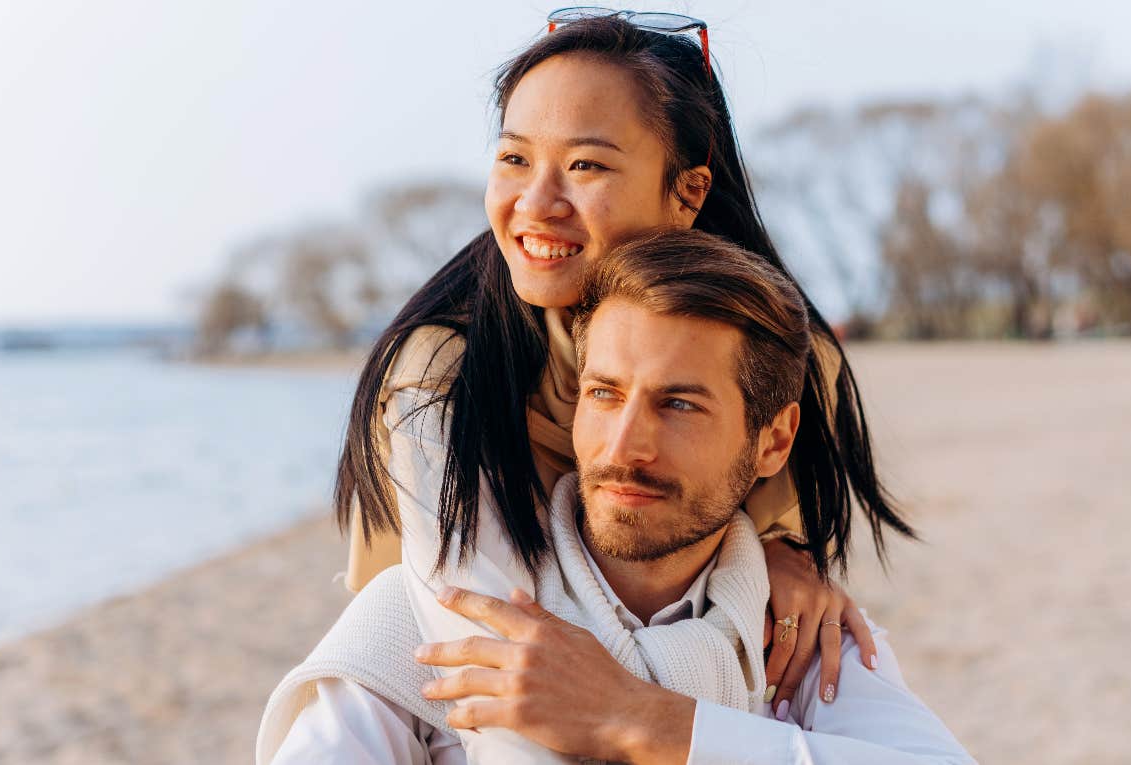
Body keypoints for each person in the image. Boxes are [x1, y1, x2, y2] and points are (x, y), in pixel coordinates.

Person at [331, 10, 915, 761]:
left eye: (586, 166)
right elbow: (482, 654)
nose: (536, 203)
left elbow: (742, 587)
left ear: (688, 191)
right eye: (514, 159)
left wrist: (777, 558)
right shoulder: (440, 374)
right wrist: (639, 702)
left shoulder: (782, 361)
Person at [259, 231, 972, 764]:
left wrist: (639, 717)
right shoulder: (429, 617)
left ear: (773, 441)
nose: (624, 442)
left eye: (681, 404)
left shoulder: (798, 640)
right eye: (604, 394)